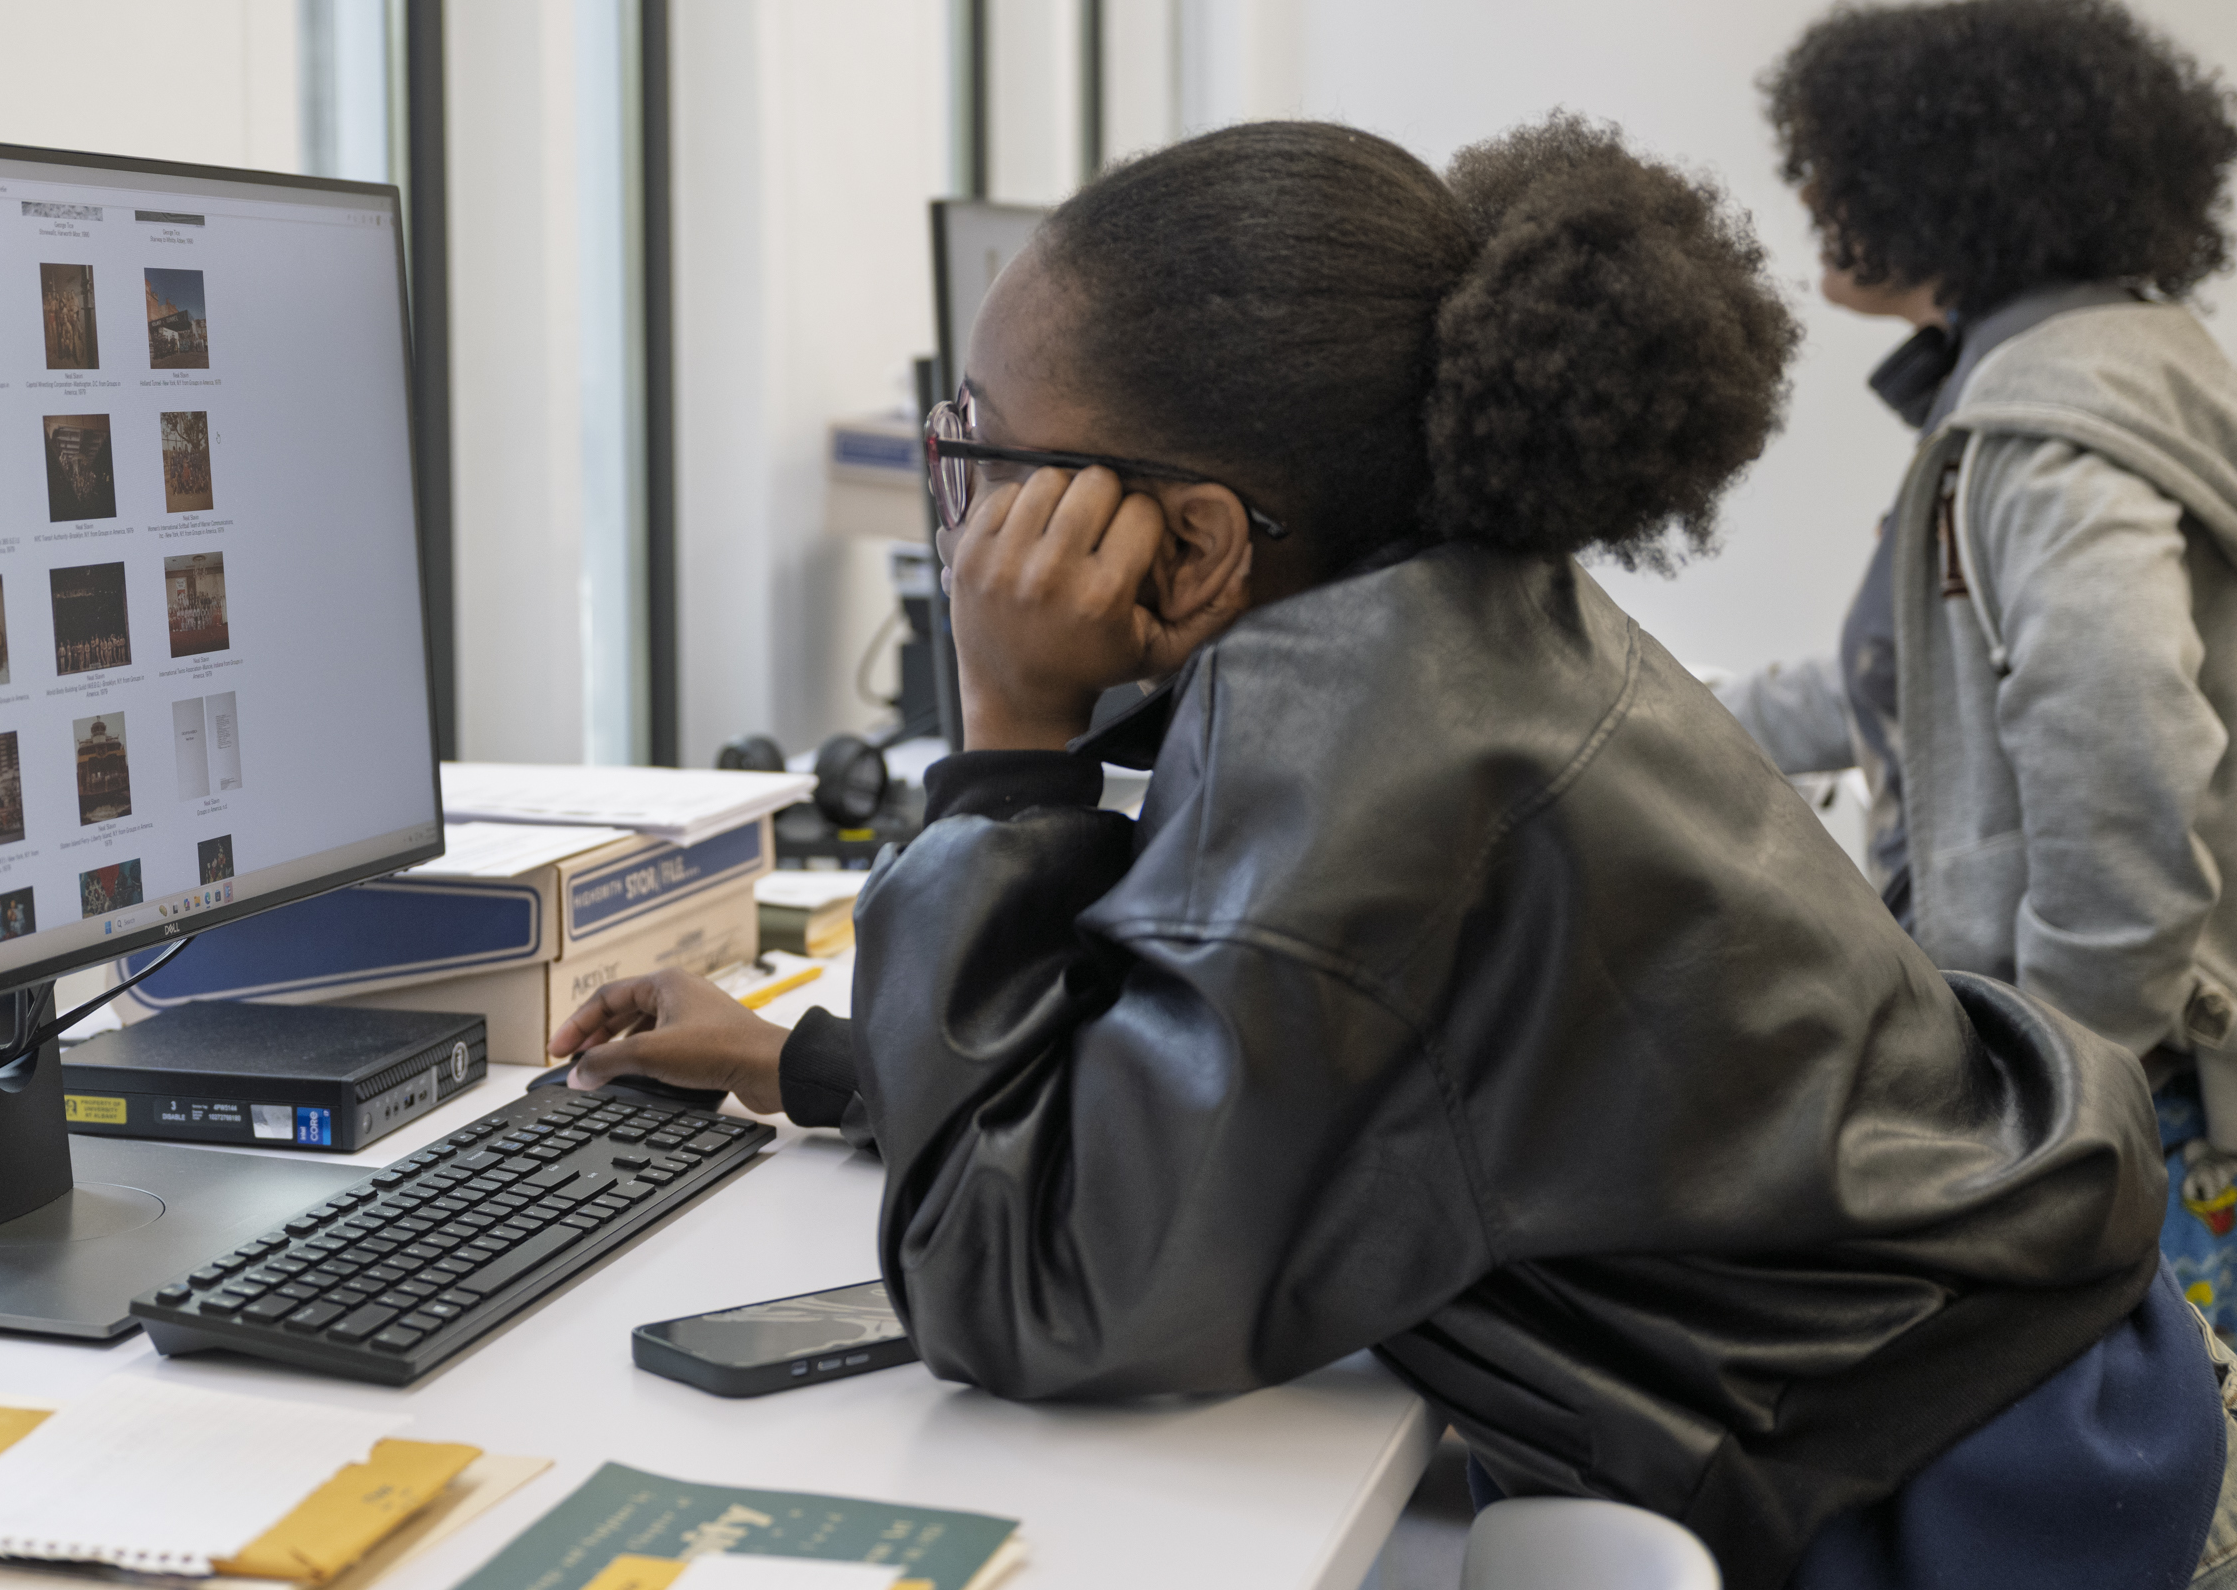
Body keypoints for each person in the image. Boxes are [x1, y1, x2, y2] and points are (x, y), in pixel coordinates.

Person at [553, 116, 2237, 1590]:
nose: (959, 497)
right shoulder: (1427, 634)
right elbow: (1245, 1100)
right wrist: (834, 1065)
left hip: (1968, 1504)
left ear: (1197, 540)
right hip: (1991, 1379)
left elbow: (1017, 1288)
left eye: (983, 449)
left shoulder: (1374, 756)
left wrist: (1004, 740)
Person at [1714, 0, 2237, 1328]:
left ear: (1962, 181)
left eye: (1841, 161)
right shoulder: (2091, 365)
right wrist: (1676, 723)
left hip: (2135, 1105)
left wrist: (2065, 1078)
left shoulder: (2050, 427)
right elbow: (1914, 692)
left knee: (2172, 1526)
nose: (1813, 190)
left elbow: (2125, 747)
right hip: (2126, 1086)